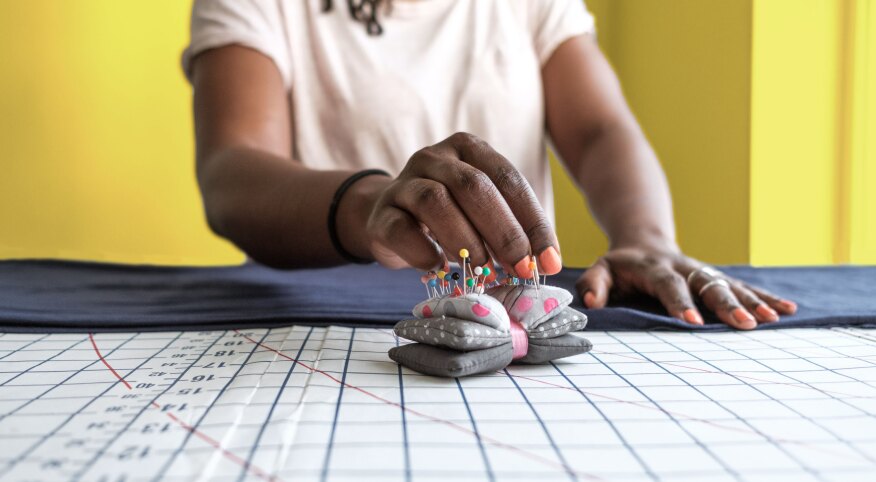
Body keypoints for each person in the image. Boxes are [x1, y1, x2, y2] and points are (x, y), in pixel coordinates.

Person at [183, 0, 796, 329]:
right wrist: (375, 206)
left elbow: (601, 128)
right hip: (315, 326)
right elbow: (233, 170)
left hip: (512, 314)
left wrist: (646, 236)